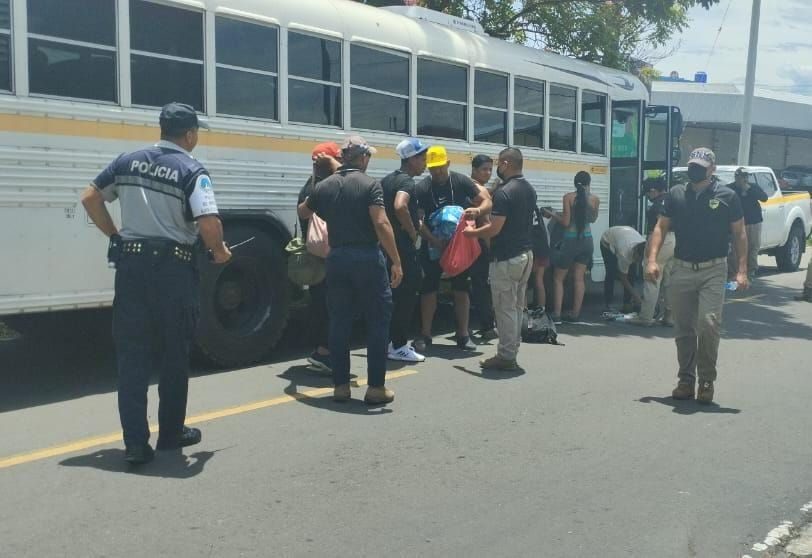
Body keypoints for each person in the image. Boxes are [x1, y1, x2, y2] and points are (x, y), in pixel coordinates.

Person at [81, 102, 232, 465]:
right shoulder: (192, 170)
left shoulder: (126, 160)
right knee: (174, 354)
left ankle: (135, 443)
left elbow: (90, 198)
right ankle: (170, 434)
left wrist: (115, 236)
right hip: (173, 272)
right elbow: (208, 224)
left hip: (131, 269)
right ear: (190, 134)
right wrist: (220, 251)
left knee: (132, 356)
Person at [298, 136, 402, 405]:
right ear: (364, 158)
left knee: (339, 321)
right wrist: (396, 260)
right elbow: (381, 223)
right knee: (377, 320)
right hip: (367, 256)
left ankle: (341, 387)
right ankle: (375, 387)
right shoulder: (370, 185)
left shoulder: (325, 186)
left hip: (337, 258)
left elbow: (303, 210)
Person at [646, 148, 749, 404]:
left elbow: (739, 234)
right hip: (681, 268)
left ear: (712, 169)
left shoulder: (728, 196)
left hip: (713, 269)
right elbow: (661, 226)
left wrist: (742, 270)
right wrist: (651, 260)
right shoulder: (676, 194)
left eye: (701, 166)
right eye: (692, 164)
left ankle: (706, 381)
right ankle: (686, 379)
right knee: (683, 328)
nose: (695, 169)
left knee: (709, 323)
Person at [415, 145, 492, 351]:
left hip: (460, 245)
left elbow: (486, 201)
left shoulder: (460, 181)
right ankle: (425, 334)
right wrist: (432, 239)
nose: (437, 172)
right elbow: (418, 220)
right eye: (432, 168)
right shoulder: (422, 188)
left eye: (440, 167)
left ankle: (463, 334)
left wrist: (476, 210)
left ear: (448, 163)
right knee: (429, 287)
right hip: (433, 245)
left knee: (461, 288)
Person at [464, 148, 536, 370]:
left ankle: (505, 356)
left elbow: (494, 229)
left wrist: (472, 233)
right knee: (515, 307)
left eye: (498, 163)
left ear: (506, 163)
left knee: (504, 308)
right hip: (525, 255)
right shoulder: (528, 189)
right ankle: (512, 349)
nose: (496, 167)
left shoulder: (505, 192)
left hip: (506, 258)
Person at [381, 138, 429, 363]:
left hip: (386, 246)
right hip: (402, 247)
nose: (426, 163)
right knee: (408, 293)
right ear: (412, 159)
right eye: (423, 158)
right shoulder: (407, 183)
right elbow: (400, 206)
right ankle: (399, 345)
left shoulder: (386, 180)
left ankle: (387, 341)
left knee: (390, 295)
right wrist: (411, 231)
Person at [298, 142, 341, 373]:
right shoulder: (327, 188)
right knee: (330, 305)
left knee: (319, 302)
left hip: (315, 254)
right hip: (328, 255)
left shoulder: (310, 186)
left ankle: (322, 350)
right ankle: (324, 353)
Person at [544, 171, 600, 323]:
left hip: (570, 241)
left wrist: (552, 213)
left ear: (575, 183)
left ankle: (556, 314)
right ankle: (575, 314)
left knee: (558, 278)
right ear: (589, 183)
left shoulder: (568, 197)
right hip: (587, 240)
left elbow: (566, 223)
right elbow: (593, 219)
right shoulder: (595, 199)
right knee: (579, 278)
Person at [469, 154, 498, 340]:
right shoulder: (480, 191)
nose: (487, 173)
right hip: (479, 243)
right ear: (474, 169)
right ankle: (488, 326)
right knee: (483, 286)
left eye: (489, 169)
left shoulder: (464, 186)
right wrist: (490, 250)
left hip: (465, 242)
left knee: (466, 287)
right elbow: (486, 223)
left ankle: (463, 328)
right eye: (484, 169)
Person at [727, 167, 768, 282]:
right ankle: (733, 274)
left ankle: (751, 272)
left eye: (745, 176)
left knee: (753, 247)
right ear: (736, 177)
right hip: (737, 223)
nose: (743, 179)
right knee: (735, 249)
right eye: (740, 176)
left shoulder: (753, 187)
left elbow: (764, 198)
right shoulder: (730, 189)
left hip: (754, 222)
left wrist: (748, 189)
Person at [600, 226, 646, 311]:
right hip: (607, 240)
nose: (637, 261)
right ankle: (609, 303)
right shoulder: (624, 253)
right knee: (611, 272)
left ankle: (627, 303)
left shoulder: (645, 248)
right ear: (635, 251)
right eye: (637, 259)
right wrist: (636, 296)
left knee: (631, 274)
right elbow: (623, 277)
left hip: (625, 235)